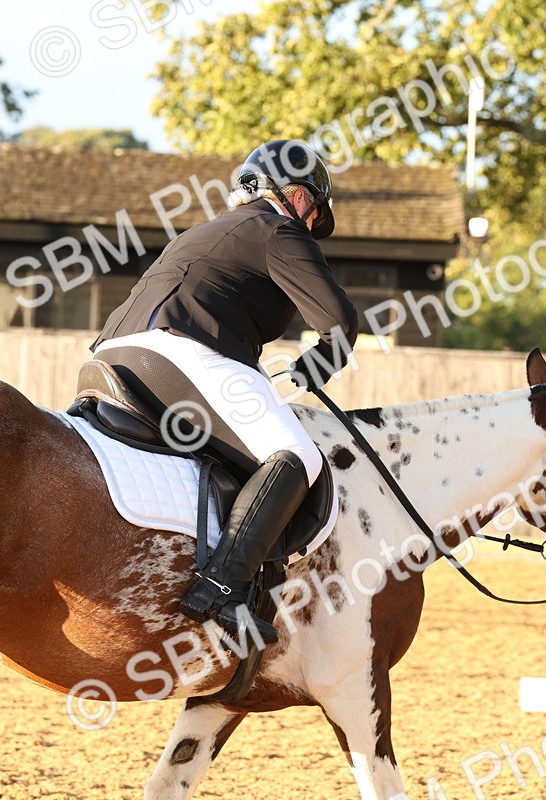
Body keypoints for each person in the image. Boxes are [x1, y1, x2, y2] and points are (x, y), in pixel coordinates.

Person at [90, 139, 358, 644]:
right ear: (297, 195)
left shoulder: (207, 229)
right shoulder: (277, 229)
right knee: (297, 453)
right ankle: (220, 588)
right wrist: (314, 367)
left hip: (111, 355)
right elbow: (339, 322)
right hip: (178, 353)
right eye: (311, 205)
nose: (309, 217)